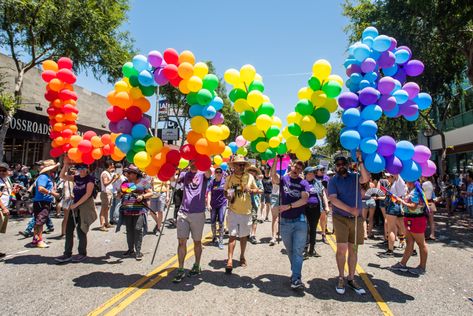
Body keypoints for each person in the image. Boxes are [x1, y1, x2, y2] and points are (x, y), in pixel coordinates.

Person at [328, 153, 370, 295]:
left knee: (354, 249)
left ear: (347, 165)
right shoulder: (333, 181)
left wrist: (360, 161)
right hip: (340, 218)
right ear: (336, 167)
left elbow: (366, 178)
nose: (340, 167)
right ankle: (341, 277)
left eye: (343, 164)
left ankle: (351, 278)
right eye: (338, 165)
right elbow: (333, 200)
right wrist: (350, 209)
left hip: (356, 220)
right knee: (341, 249)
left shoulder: (355, 176)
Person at [271, 159, 309, 289]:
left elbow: (304, 199)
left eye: (299, 169)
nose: (296, 170)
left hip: (300, 220)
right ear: (291, 166)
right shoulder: (283, 180)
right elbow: (273, 176)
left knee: (298, 251)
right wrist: (276, 161)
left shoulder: (303, 183)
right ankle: (295, 272)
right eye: (295, 167)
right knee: (290, 250)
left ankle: (296, 278)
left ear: (301, 171)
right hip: (285, 222)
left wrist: (289, 206)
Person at [172, 161, 211, 283]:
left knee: (197, 242)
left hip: (198, 213)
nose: (193, 162)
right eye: (191, 159)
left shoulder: (202, 173)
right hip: (183, 212)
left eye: (195, 159)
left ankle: (196, 265)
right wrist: (172, 167)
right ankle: (180, 268)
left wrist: (204, 161)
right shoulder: (184, 174)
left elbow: (209, 173)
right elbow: (173, 180)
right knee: (181, 241)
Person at [55, 160, 97, 263]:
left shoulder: (90, 179)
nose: (81, 170)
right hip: (74, 208)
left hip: (84, 207)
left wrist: (76, 204)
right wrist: (65, 165)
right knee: (69, 229)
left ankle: (82, 253)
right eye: (79, 168)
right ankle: (67, 253)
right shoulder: (76, 178)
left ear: (87, 169)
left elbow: (88, 194)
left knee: (81, 230)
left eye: (83, 168)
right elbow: (62, 176)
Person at [223, 156, 259, 274]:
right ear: (233, 166)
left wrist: (251, 190)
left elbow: (259, 190)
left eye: (243, 164)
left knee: (243, 236)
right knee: (232, 236)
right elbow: (225, 191)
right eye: (239, 164)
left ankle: (242, 256)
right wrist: (228, 195)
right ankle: (229, 260)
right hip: (233, 211)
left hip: (246, 211)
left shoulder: (250, 177)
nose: (241, 166)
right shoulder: (229, 178)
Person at [391, 181, 429, 275]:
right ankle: (403, 264)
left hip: (417, 220)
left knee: (421, 243)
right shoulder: (410, 190)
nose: (405, 181)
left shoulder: (416, 191)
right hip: (409, 219)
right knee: (409, 242)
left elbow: (413, 207)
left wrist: (402, 201)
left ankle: (422, 267)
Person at [116, 165, 153, 261]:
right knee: (129, 231)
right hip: (127, 210)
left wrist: (143, 196)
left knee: (137, 229)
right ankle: (130, 249)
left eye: (130, 173)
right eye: (128, 173)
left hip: (139, 210)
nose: (128, 174)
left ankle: (138, 251)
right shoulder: (125, 183)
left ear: (136, 174)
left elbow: (151, 193)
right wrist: (119, 194)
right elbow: (120, 195)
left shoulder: (143, 182)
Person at [31, 160, 60, 248]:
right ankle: (39, 241)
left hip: (41, 201)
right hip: (42, 201)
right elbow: (40, 188)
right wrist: (53, 193)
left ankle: (35, 239)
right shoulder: (44, 177)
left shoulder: (46, 176)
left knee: (39, 221)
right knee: (40, 221)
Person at [380, 174, 407, 258]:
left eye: (388, 177)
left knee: (391, 228)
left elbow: (396, 172)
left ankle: (390, 251)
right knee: (403, 228)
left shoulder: (399, 181)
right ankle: (411, 249)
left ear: (393, 176)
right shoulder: (396, 182)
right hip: (399, 205)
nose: (387, 178)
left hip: (394, 205)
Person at [304, 166, 328, 258]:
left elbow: (323, 195)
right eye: (310, 173)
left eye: (313, 173)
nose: (312, 175)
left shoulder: (318, 183)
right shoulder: (302, 183)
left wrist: (326, 206)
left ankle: (312, 249)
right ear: (306, 174)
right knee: (306, 228)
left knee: (313, 229)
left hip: (316, 208)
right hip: (305, 208)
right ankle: (304, 249)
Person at [207, 167, 227, 249]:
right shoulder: (212, 182)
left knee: (221, 221)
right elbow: (209, 193)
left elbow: (229, 192)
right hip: (213, 204)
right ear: (214, 173)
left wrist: (230, 200)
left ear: (222, 173)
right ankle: (214, 237)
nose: (218, 174)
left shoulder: (225, 182)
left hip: (222, 204)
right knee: (212, 221)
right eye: (217, 172)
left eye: (220, 172)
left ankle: (221, 239)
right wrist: (208, 204)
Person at [99, 160, 118, 231]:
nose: (113, 165)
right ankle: (102, 225)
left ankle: (106, 223)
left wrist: (115, 179)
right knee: (103, 209)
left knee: (107, 209)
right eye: (112, 164)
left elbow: (109, 183)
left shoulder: (107, 173)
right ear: (109, 165)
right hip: (105, 193)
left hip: (108, 192)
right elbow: (105, 183)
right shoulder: (105, 173)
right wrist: (113, 179)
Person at [248, 165, 263, 244]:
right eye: (250, 170)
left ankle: (253, 235)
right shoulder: (245, 180)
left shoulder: (258, 181)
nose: (251, 172)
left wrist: (253, 191)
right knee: (246, 218)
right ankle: (246, 233)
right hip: (245, 202)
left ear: (255, 173)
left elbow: (261, 190)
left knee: (254, 218)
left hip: (254, 202)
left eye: (253, 171)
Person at [315, 165, 331, 243]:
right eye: (321, 169)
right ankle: (311, 235)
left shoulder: (327, 178)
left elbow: (329, 188)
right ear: (317, 170)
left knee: (323, 218)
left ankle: (323, 234)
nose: (323, 171)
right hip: (315, 200)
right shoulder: (313, 178)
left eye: (323, 169)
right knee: (314, 219)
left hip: (325, 199)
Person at [58, 166, 75, 238]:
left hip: (72, 199)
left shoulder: (74, 180)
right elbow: (64, 190)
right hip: (67, 199)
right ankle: (63, 232)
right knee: (66, 217)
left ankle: (70, 232)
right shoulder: (66, 180)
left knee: (72, 217)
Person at [0, 163, 12, 258]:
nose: (1, 172)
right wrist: (3, 208)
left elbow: (6, 192)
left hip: (5, 207)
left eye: (4, 170)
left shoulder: (7, 179)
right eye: (0, 170)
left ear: (8, 171)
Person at [421, 176, 437, 240]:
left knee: (423, 220)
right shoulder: (431, 183)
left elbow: (420, 192)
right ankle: (432, 234)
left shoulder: (424, 184)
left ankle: (423, 234)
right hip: (431, 202)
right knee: (431, 220)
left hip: (425, 203)